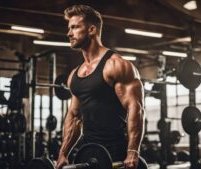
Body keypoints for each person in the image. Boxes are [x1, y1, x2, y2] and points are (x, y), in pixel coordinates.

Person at [56, 5, 145, 169]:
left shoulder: (116, 65)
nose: (69, 33)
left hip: (117, 154)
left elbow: (135, 108)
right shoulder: (75, 74)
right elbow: (74, 116)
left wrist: (133, 151)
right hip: (89, 153)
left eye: (75, 27)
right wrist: (63, 153)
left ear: (91, 29)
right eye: (69, 28)